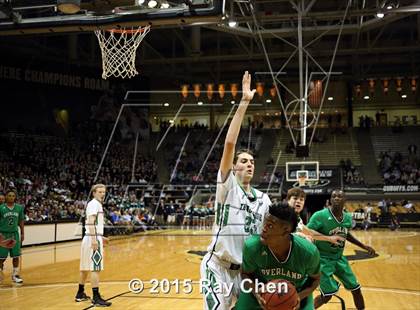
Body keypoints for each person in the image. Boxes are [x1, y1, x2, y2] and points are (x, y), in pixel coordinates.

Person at [200, 71, 272, 310]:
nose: (249, 163)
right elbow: (230, 143)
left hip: (245, 274)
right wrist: (244, 102)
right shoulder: (227, 186)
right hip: (218, 266)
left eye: (252, 161)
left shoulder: (264, 199)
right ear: (233, 167)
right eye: (243, 161)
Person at [235, 203, 320, 310]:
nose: (264, 228)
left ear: (286, 230)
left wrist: (298, 297)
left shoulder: (308, 252)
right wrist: (256, 292)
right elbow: (245, 273)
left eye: (270, 225)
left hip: (297, 291)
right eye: (265, 222)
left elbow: (315, 280)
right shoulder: (252, 246)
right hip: (260, 288)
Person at [307, 189, 376, 310]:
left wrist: (363, 246)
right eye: (334, 196)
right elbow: (307, 231)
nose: (337, 198)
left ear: (345, 200)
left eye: (340, 196)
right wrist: (328, 238)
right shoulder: (320, 215)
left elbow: (346, 234)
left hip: (339, 259)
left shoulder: (348, 218)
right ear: (330, 200)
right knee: (327, 296)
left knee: (356, 288)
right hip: (322, 260)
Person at [75, 184, 111, 307]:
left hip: (89, 238)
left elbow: (93, 224)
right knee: (96, 268)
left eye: (104, 192)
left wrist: (100, 237)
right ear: (94, 193)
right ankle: (96, 297)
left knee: (84, 267)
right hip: (92, 239)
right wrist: (95, 239)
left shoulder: (93, 204)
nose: (103, 194)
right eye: (100, 192)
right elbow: (90, 222)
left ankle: (80, 293)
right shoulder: (94, 204)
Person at [0, 189, 24, 284]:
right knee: (1, 258)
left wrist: (22, 233)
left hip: (14, 234)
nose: (11, 197)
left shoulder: (19, 208)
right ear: (6, 197)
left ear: (15, 197)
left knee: (16, 256)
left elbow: (21, 221)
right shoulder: (1, 207)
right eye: (9, 195)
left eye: (13, 196)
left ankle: (15, 275)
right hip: (3, 234)